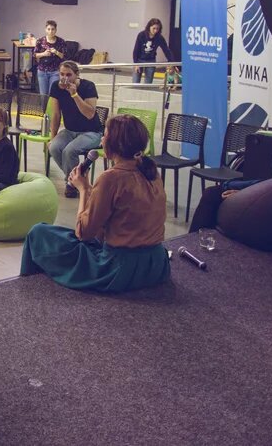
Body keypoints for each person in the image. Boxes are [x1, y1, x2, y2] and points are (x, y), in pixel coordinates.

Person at [21, 114, 170, 293]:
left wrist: (83, 190)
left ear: (117, 145)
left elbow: (83, 233)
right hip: (156, 265)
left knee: (39, 233)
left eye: (105, 135)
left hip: (119, 268)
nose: (102, 139)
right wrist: (92, 190)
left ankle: (28, 289)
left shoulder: (111, 178)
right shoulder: (151, 170)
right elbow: (120, 212)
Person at [49, 61, 103, 198]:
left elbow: (90, 114)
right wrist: (52, 136)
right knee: (54, 147)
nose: (64, 78)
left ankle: (72, 184)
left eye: (69, 75)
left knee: (69, 151)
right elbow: (55, 114)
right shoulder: (56, 87)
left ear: (77, 75)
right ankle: (76, 179)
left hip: (91, 131)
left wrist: (74, 95)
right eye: (61, 74)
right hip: (70, 130)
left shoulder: (88, 86)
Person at [132, 18, 175, 84]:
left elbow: (166, 50)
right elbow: (136, 50)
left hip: (150, 60)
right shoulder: (141, 35)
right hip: (139, 60)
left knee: (148, 83)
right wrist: (136, 64)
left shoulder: (159, 37)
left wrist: (172, 62)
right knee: (135, 82)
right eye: (154, 28)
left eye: (157, 29)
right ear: (149, 27)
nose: (155, 31)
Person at [34, 20, 67, 98]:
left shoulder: (61, 41)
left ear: (56, 30)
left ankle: (52, 110)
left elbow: (64, 56)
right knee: (43, 95)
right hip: (42, 71)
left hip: (55, 71)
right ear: (45, 29)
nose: (51, 31)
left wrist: (56, 52)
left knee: (52, 94)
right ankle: (44, 110)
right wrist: (44, 54)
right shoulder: (40, 41)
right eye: (49, 29)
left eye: (53, 29)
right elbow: (35, 55)